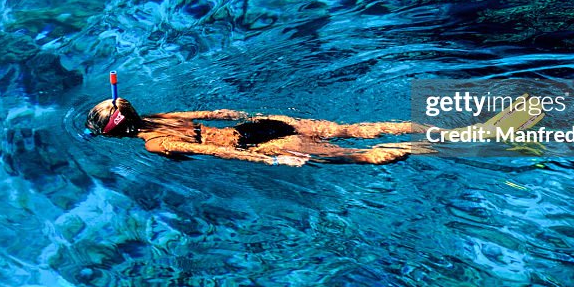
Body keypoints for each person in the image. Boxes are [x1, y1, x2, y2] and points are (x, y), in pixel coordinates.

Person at [85, 98, 437, 166]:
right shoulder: (162, 117)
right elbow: (217, 113)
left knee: (359, 157)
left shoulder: (154, 143)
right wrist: (254, 115)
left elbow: (216, 151)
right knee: (353, 130)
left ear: (116, 134)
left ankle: (431, 144)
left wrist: (272, 160)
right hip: (262, 124)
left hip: (262, 142)